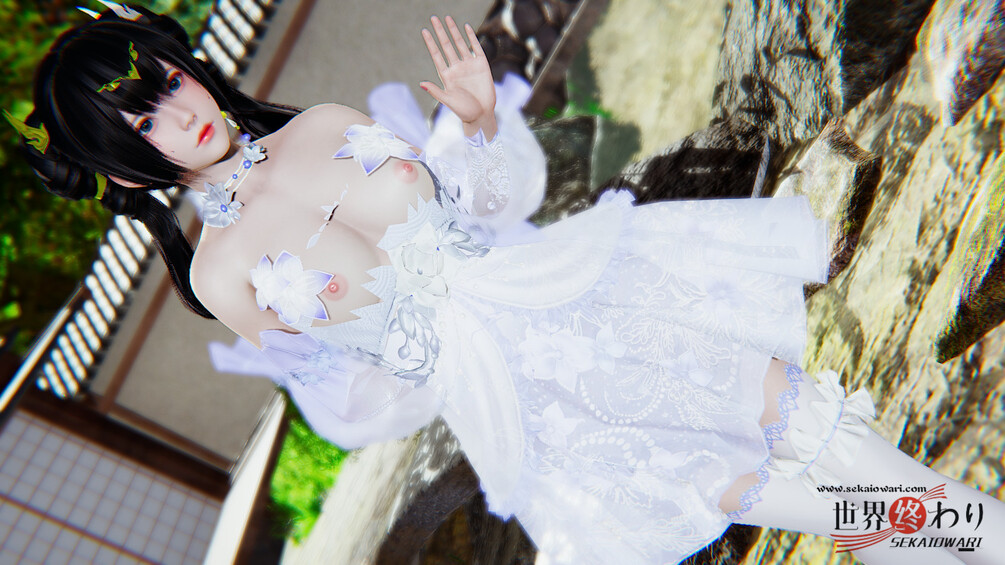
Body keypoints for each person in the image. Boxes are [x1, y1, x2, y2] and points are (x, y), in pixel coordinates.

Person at [14, 5, 1003, 564]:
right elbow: (359, 403)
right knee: (779, 494)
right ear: (122, 162)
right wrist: (427, 348)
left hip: (579, 291)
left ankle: (979, 534)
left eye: (165, 82)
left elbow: (483, 206)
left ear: (185, 65)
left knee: (812, 425)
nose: (176, 111)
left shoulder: (321, 124)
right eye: (140, 120)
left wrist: (480, 122)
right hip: (526, 402)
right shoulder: (222, 272)